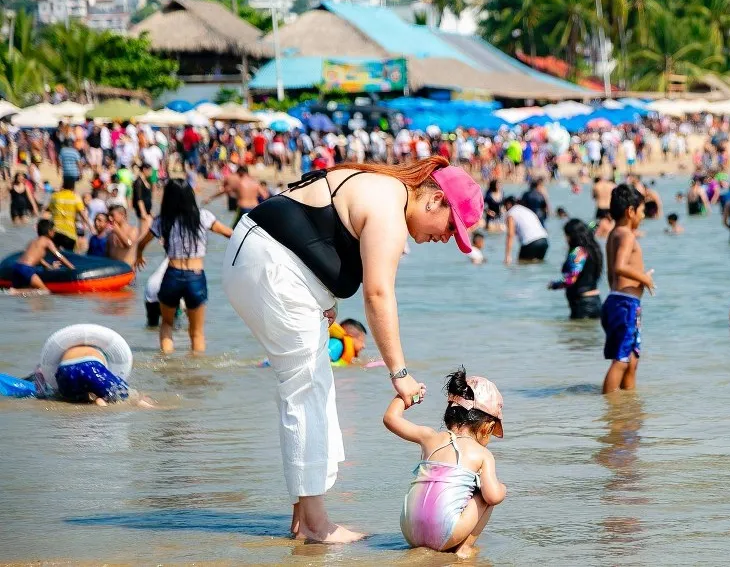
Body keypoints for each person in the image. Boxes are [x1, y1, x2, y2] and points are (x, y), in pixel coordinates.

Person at [222, 156, 482, 544]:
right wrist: (400, 373)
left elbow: (314, 232)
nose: (446, 238)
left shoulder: (383, 187)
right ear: (434, 201)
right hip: (270, 266)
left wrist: (320, 295)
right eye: (450, 227)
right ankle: (314, 524)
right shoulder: (389, 210)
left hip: (262, 258)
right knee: (306, 390)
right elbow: (378, 295)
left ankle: (303, 516)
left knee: (314, 389)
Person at [384, 369, 507, 559]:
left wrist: (406, 396)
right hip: (445, 532)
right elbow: (492, 497)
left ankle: (441, 540)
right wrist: (503, 489)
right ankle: (464, 549)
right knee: (485, 495)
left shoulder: (428, 437)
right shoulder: (483, 454)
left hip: (409, 530)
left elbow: (390, 419)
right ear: (487, 427)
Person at [135, 179, 233, 354]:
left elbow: (142, 242)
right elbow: (230, 234)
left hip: (172, 274)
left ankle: (166, 366)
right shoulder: (203, 216)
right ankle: (195, 373)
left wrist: (139, 256)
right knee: (197, 333)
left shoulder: (162, 220)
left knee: (166, 324)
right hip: (195, 276)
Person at [602, 184, 654, 394]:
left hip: (618, 301)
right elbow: (620, 267)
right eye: (641, 211)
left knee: (632, 358)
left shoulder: (613, 234)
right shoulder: (627, 235)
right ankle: (609, 406)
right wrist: (645, 279)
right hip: (625, 304)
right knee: (622, 360)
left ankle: (627, 404)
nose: (643, 216)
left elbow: (611, 274)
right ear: (630, 211)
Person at [548, 219, 603, 319]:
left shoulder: (578, 252)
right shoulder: (593, 249)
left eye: (566, 235)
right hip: (595, 301)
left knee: (576, 334)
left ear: (572, 235)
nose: (566, 239)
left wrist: (554, 285)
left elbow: (571, 279)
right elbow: (593, 225)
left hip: (583, 304)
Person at [8, 219, 74, 292]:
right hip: (26, 269)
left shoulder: (33, 241)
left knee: (27, 289)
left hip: (17, 267)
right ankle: (15, 292)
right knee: (44, 291)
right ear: (49, 231)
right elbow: (59, 255)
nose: (54, 232)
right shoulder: (47, 241)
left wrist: (49, 267)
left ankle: (15, 291)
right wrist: (72, 267)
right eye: (53, 230)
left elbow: (37, 258)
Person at [46, 178, 93, 252]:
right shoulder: (75, 197)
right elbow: (83, 214)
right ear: (73, 187)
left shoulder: (55, 196)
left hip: (56, 230)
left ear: (63, 185)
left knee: (54, 254)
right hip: (70, 232)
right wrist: (91, 227)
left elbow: (47, 211)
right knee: (69, 255)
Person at [502, 196, 549, 265]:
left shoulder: (511, 213)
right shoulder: (525, 210)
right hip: (544, 241)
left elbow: (510, 234)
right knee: (537, 265)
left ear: (508, 204)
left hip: (530, 243)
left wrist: (507, 256)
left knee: (521, 266)